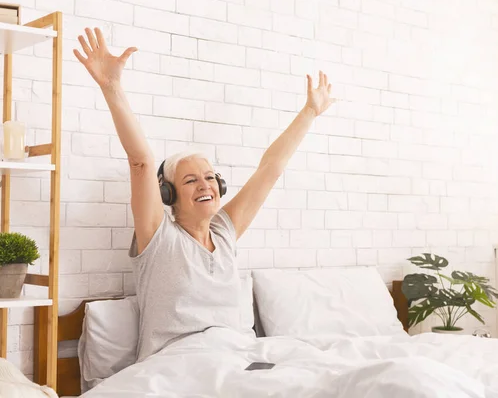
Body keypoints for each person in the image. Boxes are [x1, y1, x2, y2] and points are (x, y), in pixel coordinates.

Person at [74, 28, 336, 362]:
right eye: (191, 181)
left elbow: (270, 168)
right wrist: (111, 87)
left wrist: (310, 112)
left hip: (239, 357)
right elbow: (141, 162)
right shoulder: (159, 238)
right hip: (182, 362)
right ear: (168, 193)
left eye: (210, 178)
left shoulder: (225, 232)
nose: (205, 185)